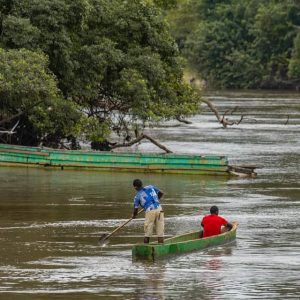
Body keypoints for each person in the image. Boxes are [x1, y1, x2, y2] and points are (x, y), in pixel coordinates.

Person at [132, 179, 164, 244]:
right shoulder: (150, 187)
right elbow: (161, 193)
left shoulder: (137, 196)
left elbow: (135, 210)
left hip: (150, 211)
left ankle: (146, 248)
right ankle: (161, 247)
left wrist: (134, 215)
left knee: (147, 233)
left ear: (135, 187)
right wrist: (156, 200)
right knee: (160, 232)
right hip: (159, 209)